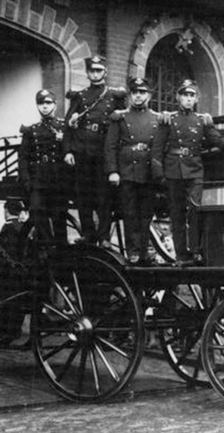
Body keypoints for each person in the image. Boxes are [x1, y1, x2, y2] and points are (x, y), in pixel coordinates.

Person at [152, 79, 224, 266]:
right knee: (177, 215)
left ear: (196, 99)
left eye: (192, 96)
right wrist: (160, 175)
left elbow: (220, 142)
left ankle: (197, 251)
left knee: (196, 211)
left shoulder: (202, 121)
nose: (188, 99)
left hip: (194, 171)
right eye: (185, 95)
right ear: (178, 97)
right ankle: (182, 256)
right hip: (173, 171)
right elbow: (157, 150)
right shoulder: (168, 120)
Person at [64, 55, 127, 249]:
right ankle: (89, 236)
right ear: (87, 73)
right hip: (82, 151)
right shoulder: (80, 97)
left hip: (103, 153)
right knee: (83, 196)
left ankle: (104, 238)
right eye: (92, 71)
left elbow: (125, 124)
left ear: (105, 73)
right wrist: (68, 151)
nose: (95, 74)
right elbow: (68, 126)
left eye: (99, 70)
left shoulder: (114, 96)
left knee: (103, 197)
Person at [105, 77, 163, 265]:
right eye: (135, 93)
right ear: (130, 95)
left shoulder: (157, 118)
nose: (138, 96)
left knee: (146, 214)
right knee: (129, 212)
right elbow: (111, 146)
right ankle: (134, 251)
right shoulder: (120, 117)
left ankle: (145, 250)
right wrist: (113, 171)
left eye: (142, 92)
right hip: (127, 170)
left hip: (147, 171)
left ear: (149, 95)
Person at [18, 90, 69, 244]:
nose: (44, 107)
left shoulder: (63, 127)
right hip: (38, 183)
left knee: (59, 217)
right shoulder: (31, 130)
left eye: (48, 103)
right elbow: (23, 158)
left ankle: (62, 253)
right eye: (41, 103)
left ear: (55, 105)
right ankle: (47, 245)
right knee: (37, 211)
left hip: (58, 182)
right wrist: (27, 181)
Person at [0, 200, 30, 347]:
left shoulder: (8, 228)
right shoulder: (23, 227)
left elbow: (6, 254)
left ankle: (6, 335)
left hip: (9, 274)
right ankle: (14, 332)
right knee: (17, 305)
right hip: (24, 272)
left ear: (7, 210)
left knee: (7, 303)